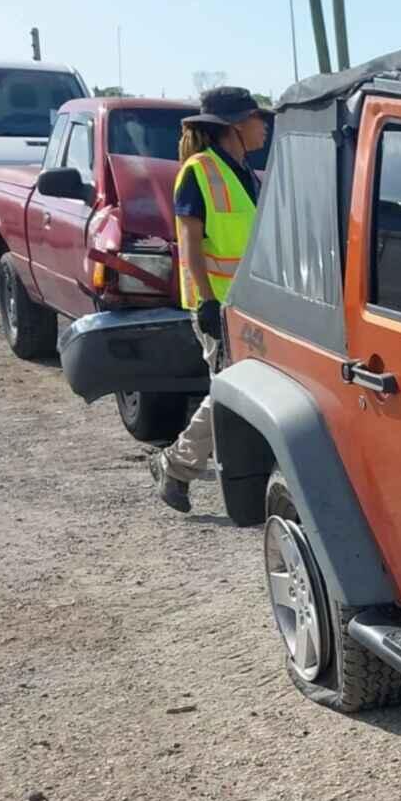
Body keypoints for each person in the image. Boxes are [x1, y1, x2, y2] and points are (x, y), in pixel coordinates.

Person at [148, 86, 270, 512]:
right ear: (236, 125)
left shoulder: (244, 171)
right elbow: (190, 243)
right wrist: (206, 302)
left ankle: (179, 464)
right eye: (259, 118)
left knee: (240, 389)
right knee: (228, 391)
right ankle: (176, 465)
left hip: (248, 302)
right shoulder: (199, 170)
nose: (264, 126)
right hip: (218, 303)